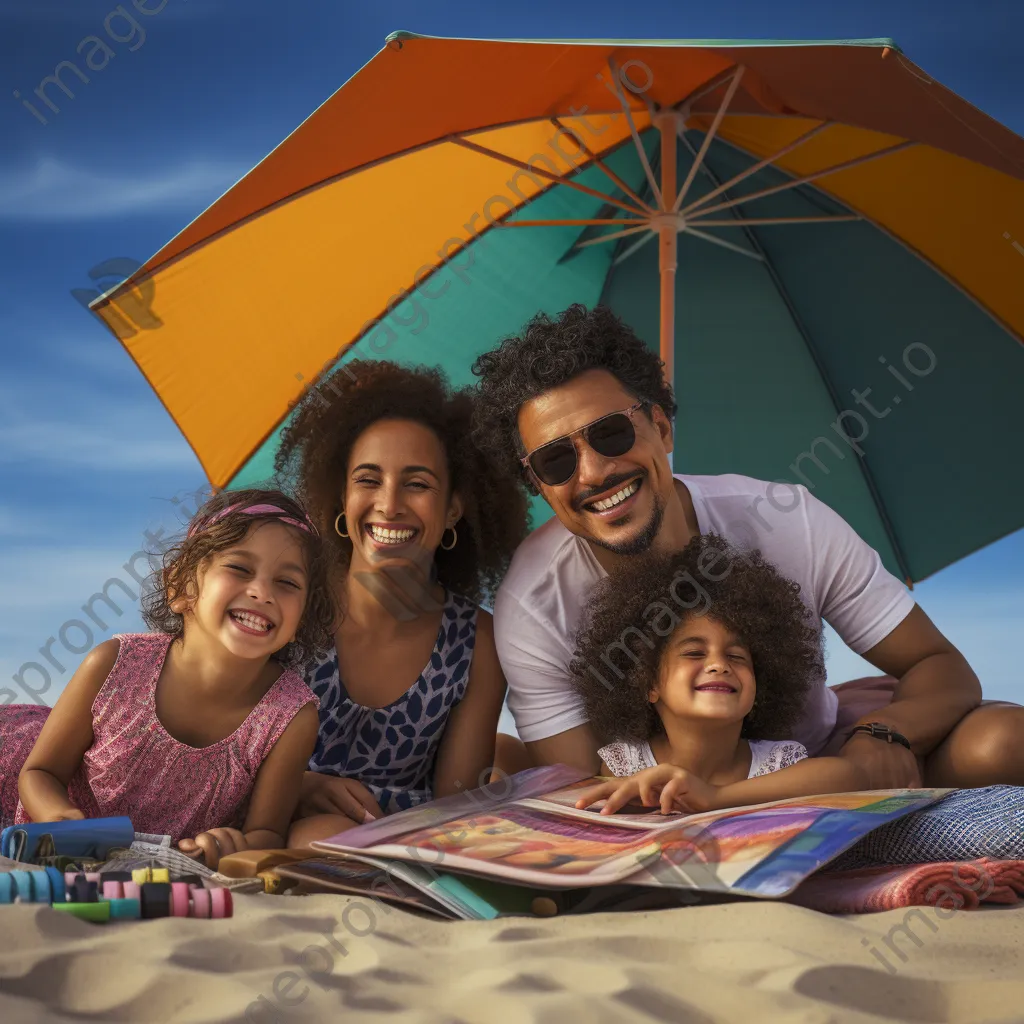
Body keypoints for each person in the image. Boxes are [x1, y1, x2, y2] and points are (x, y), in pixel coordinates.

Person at [472, 303, 1024, 789]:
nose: (593, 472)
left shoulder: (788, 520)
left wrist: (886, 733)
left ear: (662, 429)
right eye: (555, 461)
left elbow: (938, 663)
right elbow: (587, 785)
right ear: (538, 486)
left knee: (1002, 743)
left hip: (826, 752)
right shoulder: (532, 604)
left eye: (611, 433)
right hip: (659, 796)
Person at [0, 490, 335, 868]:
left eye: (287, 583)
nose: (262, 592)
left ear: (300, 622)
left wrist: (229, 844)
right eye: (239, 568)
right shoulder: (113, 663)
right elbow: (40, 771)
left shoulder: (291, 715)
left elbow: (267, 833)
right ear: (180, 587)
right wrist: (59, 816)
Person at [274, 360, 528, 847]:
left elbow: (456, 809)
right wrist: (300, 788)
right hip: (275, 815)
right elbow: (226, 744)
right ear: (340, 498)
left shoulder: (476, 641)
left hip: (411, 836)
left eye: (417, 484)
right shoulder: (292, 601)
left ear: (453, 507)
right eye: (368, 479)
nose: (389, 504)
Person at [571, 534, 871, 815]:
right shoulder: (626, 764)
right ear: (647, 682)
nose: (719, 665)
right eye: (694, 653)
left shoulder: (778, 762)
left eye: (736, 656)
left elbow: (850, 776)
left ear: (761, 683)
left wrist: (714, 797)